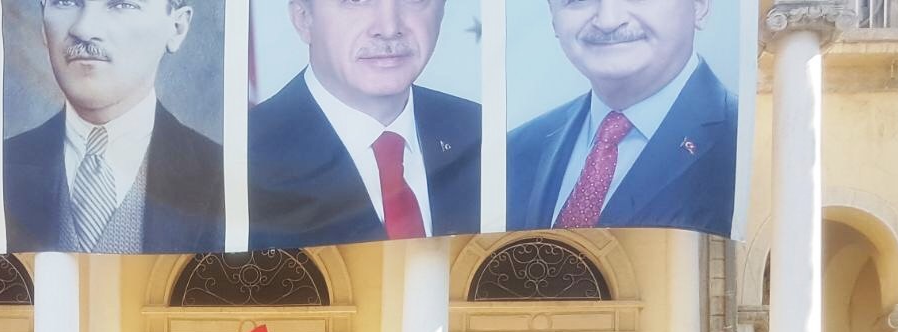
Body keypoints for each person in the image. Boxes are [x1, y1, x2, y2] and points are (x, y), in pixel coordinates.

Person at [249, 0, 481, 248]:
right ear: (303, 18)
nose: (389, 28)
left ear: (442, 9)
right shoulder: (240, 159)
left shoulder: (483, 133)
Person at [3, 0, 224, 253]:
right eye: (66, 2)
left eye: (121, 4)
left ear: (177, 28)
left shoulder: (227, 177)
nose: (84, 29)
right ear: (43, 21)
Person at [507, 0, 738, 235]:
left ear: (699, 6)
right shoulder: (513, 152)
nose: (608, 21)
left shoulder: (744, 146)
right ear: (553, 15)